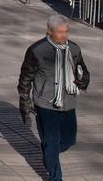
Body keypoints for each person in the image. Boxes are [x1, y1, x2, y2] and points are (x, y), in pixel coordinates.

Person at [18, 14, 90, 181]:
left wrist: (83, 79)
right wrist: (25, 101)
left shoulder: (74, 49)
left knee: (69, 140)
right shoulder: (36, 51)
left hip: (69, 102)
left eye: (66, 31)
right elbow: (25, 78)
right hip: (45, 103)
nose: (64, 35)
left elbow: (83, 70)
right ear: (49, 32)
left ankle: (49, 154)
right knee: (52, 140)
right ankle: (55, 177)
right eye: (60, 32)